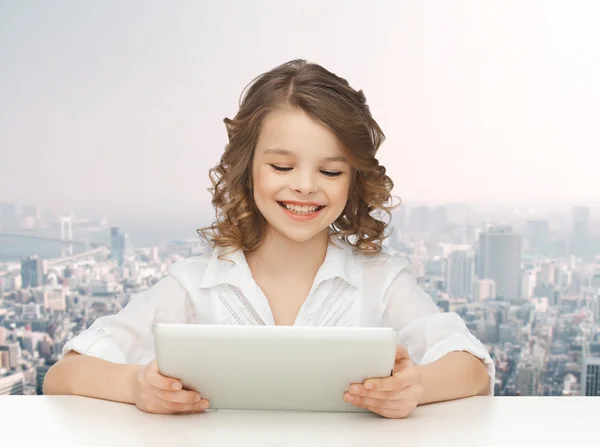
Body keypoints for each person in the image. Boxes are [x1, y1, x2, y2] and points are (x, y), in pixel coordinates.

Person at [44, 59, 494, 419]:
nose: (304, 185)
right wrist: (135, 386)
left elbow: (472, 368)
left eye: (331, 171)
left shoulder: (383, 281)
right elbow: (64, 375)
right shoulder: (194, 284)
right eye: (282, 166)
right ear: (246, 169)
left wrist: (416, 387)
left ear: (354, 180)